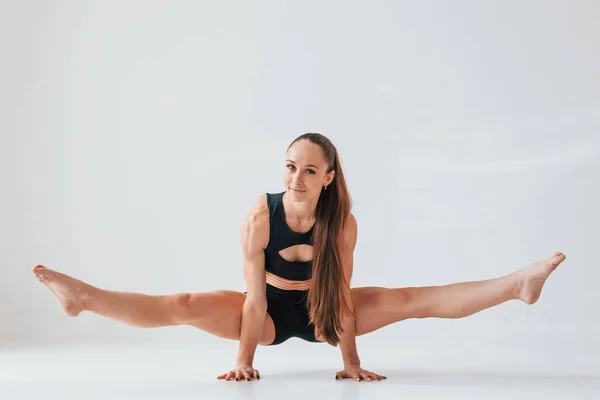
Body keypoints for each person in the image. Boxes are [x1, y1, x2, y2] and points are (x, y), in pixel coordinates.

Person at [32, 132, 566, 383]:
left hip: (324, 315)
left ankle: (515, 283)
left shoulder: (342, 224)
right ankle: (86, 298)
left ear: (329, 178)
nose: (297, 177)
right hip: (263, 316)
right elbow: (254, 296)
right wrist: (244, 362)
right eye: (290, 166)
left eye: (310, 170)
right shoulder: (260, 216)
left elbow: (338, 299)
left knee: (410, 299)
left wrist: (349, 363)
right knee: (185, 302)